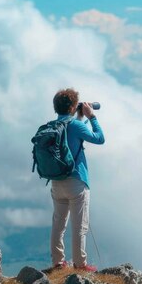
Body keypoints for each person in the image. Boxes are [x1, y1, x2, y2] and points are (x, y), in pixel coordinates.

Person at [49, 88, 104, 271]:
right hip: (76, 181)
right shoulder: (76, 126)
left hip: (57, 181)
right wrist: (92, 117)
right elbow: (99, 138)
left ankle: (58, 262)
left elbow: (70, 136)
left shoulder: (52, 126)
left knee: (58, 223)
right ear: (74, 106)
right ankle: (80, 264)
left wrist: (78, 117)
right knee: (79, 226)